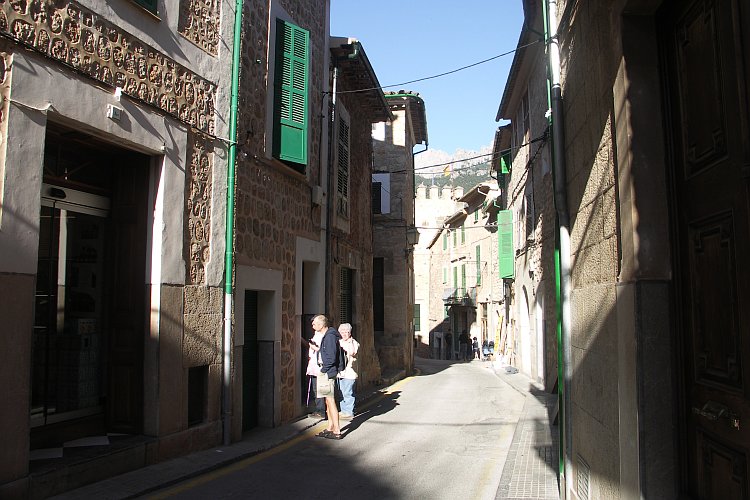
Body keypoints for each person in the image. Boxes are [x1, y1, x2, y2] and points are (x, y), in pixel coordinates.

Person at [311, 314, 343, 439]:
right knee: (327, 400)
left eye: (314, 324)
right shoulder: (328, 336)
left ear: (321, 325)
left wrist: (323, 370)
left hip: (327, 372)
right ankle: (330, 427)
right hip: (327, 371)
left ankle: (337, 430)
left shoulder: (329, 337)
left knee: (330, 401)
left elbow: (331, 356)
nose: (313, 326)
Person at [337, 323, 359, 420]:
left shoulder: (354, 343)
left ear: (350, 333)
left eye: (347, 332)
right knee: (341, 392)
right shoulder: (339, 342)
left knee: (348, 392)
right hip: (340, 373)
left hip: (350, 373)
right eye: (342, 332)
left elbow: (353, 352)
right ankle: (343, 411)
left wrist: (349, 344)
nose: (345, 334)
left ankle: (349, 411)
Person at [303, 329, 327, 419]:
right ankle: (322, 410)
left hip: (318, 368)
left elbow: (320, 351)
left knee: (318, 390)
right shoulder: (321, 336)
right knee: (318, 390)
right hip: (315, 368)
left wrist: (312, 346)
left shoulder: (320, 337)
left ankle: (321, 411)